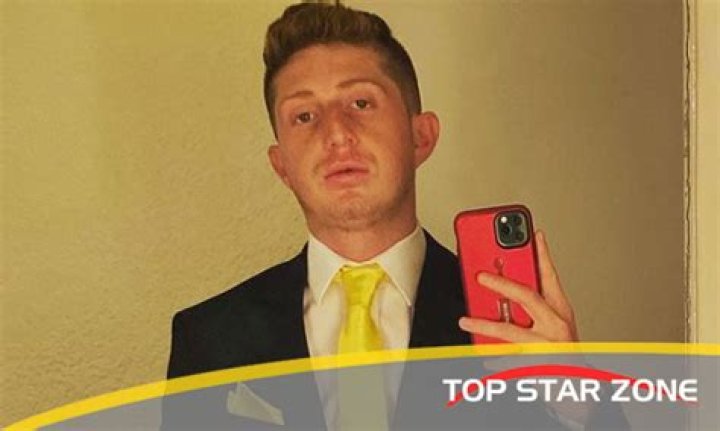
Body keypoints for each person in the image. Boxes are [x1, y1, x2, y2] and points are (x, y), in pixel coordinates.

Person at [164, 3, 621, 430]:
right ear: (281, 165)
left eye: (361, 103)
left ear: (421, 137)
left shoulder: (515, 330)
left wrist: (581, 405)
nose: (336, 133)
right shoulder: (209, 339)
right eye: (303, 116)